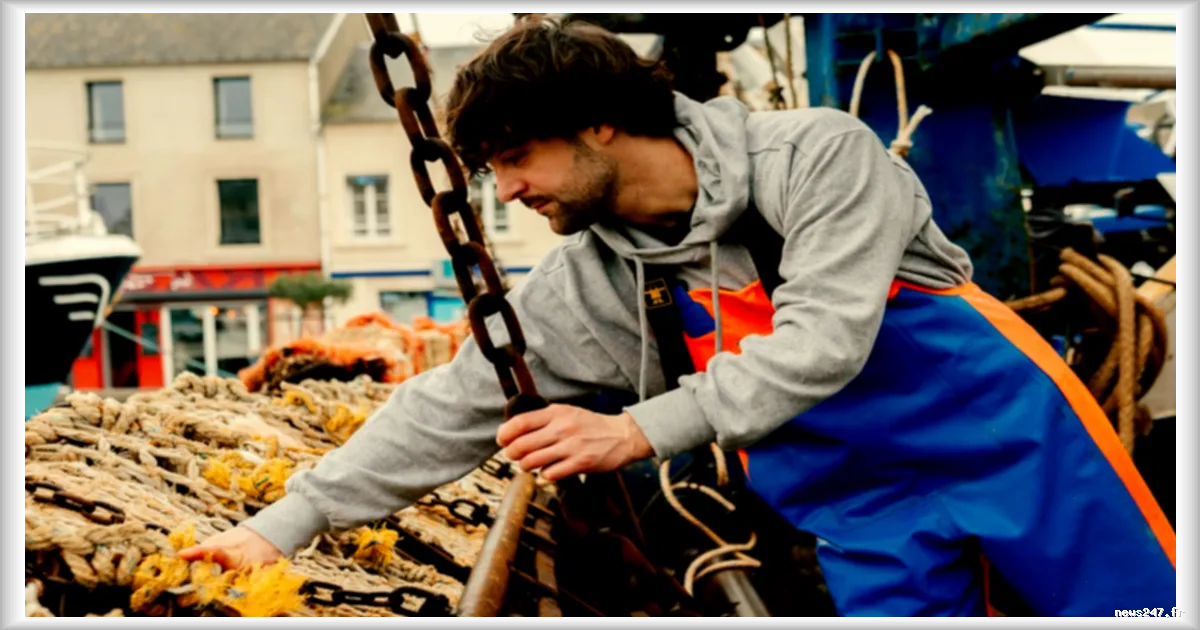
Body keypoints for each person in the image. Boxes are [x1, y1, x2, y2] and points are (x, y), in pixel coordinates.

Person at [180, 17, 1176, 617]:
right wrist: (286, 523)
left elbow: (826, 339)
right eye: (491, 171)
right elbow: (455, 402)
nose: (509, 189)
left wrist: (637, 430)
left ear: (601, 122)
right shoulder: (597, 279)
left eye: (518, 158)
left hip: (1014, 451)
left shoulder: (818, 158)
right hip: (864, 512)